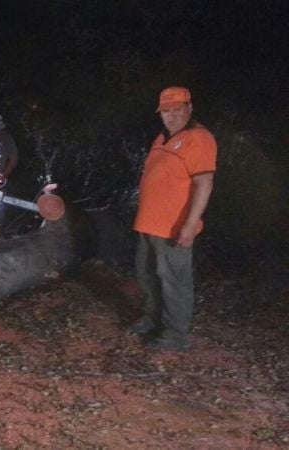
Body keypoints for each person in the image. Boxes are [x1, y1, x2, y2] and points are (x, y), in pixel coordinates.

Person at [129, 86, 217, 352]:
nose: (171, 116)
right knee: (147, 275)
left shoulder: (198, 138)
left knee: (174, 281)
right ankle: (152, 318)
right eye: (166, 111)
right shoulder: (162, 138)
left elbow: (205, 184)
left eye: (177, 110)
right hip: (148, 223)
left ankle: (175, 334)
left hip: (173, 227)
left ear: (189, 108)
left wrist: (190, 225)